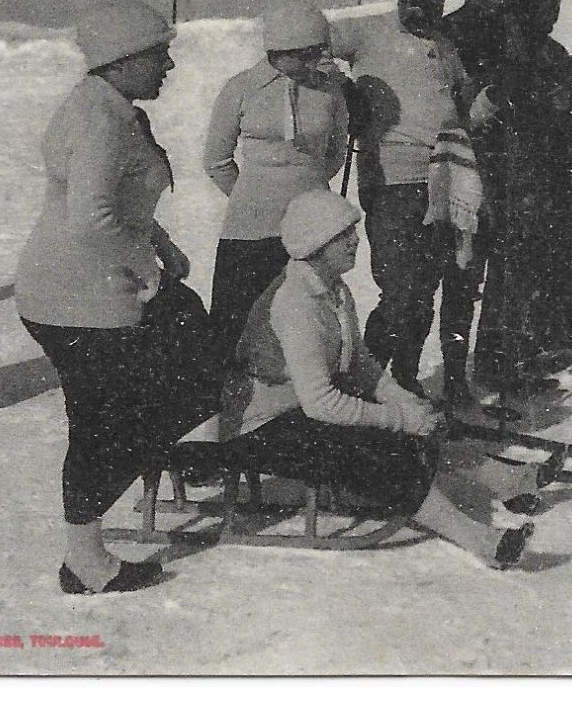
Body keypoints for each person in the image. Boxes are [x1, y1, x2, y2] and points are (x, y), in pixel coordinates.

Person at [15, 0, 222, 595]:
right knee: (108, 423)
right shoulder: (101, 120)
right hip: (77, 295)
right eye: (159, 55)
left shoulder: (109, 108)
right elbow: (91, 219)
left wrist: (160, 242)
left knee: (140, 396)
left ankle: (174, 462)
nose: (169, 66)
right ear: (123, 59)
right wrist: (147, 268)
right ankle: (85, 559)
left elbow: (116, 199)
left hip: (84, 287)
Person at [216, 191, 541, 568]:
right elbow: (321, 403)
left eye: (353, 231)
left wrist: (404, 402)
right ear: (316, 245)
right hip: (260, 426)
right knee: (387, 446)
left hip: (300, 409)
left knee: (416, 422)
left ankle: (502, 481)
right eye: (343, 235)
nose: (356, 240)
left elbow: (361, 369)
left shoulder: (334, 290)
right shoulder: (295, 303)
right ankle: (481, 541)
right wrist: (401, 419)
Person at [330, 0, 494, 396]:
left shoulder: (444, 45)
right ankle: (364, 387)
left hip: (446, 179)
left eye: (434, 0)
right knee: (403, 292)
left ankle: (403, 380)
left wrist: (489, 100)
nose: (423, 8)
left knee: (433, 285)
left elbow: (464, 104)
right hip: (393, 181)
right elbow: (305, 46)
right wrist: (344, 93)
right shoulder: (365, 32)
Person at [203, 3, 350, 352]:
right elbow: (216, 160)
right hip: (249, 223)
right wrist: (252, 196)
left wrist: (304, 188)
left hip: (310, 223)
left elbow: (335, 153)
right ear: (278, 51)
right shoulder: (241, 87)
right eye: (303, 56)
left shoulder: (330, 91)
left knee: (306, 319)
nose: (312, 63)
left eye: (316, 54)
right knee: (235, 319)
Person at [472, 0, 572, 397]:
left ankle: (536, 347)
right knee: (511, 268)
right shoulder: (508, 52)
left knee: (545, 261)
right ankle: (497, 358)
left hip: (549, 172)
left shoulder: (555, 53)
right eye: (544, 6)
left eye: (556, 6)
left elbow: (568, 110)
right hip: (514, 173)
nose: (552, 14)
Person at [439, 0, 524, 395]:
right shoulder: (453, 29)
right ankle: (454, 374)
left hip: (513, 166)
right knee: (463, 269)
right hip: (468, 164)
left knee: (507, 271)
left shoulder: (520, 27)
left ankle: (494, 363)